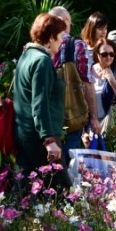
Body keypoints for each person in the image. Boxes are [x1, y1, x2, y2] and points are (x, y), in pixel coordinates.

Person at [13, 13, 71, 189]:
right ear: (51, 36)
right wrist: (49, 140)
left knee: (31, 190)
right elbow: (39, 103)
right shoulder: (42, 61)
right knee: (61, 191)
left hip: (25, 134)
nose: (62, 42)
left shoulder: (26, 55)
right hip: (41, 139)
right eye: (60, 36)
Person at [49, 6, 102, 164]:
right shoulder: (77, 45)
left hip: (44, 116)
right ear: (65, 21)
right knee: (69, 161)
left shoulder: (35, 45)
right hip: (71, 116)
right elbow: (87, 83)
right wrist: (93, 117)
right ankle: (65, 187)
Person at [90, 38, 116, 131]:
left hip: (110, 124)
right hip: (90, 124)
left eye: (111, 54)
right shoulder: (89, 70)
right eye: (104, 54)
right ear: (97, 54)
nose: (108, 57)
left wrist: (111, 80)